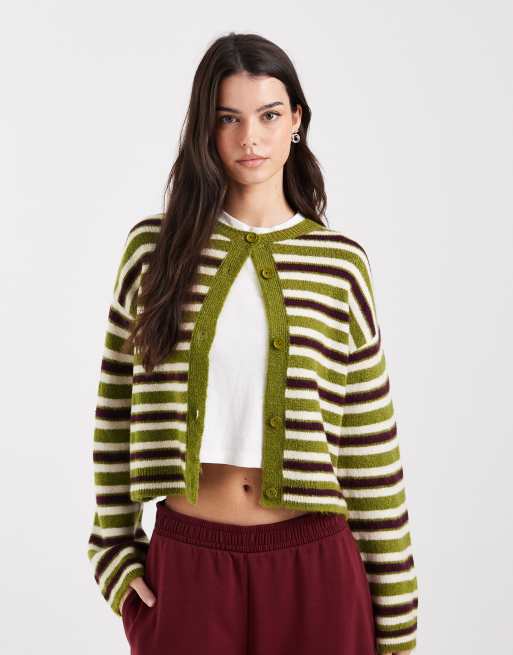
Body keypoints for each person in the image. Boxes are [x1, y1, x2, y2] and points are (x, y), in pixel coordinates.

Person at [87, 32, 418, 655]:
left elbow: (370, 449)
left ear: (296, 121)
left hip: (315, 570)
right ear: (205, 130)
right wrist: (114, 553)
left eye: (268, 115)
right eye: (228, 119)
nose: (250, 139)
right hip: (188, 567)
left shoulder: (339, 265)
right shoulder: (153, 252)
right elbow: (114, 414)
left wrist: (396, 623)